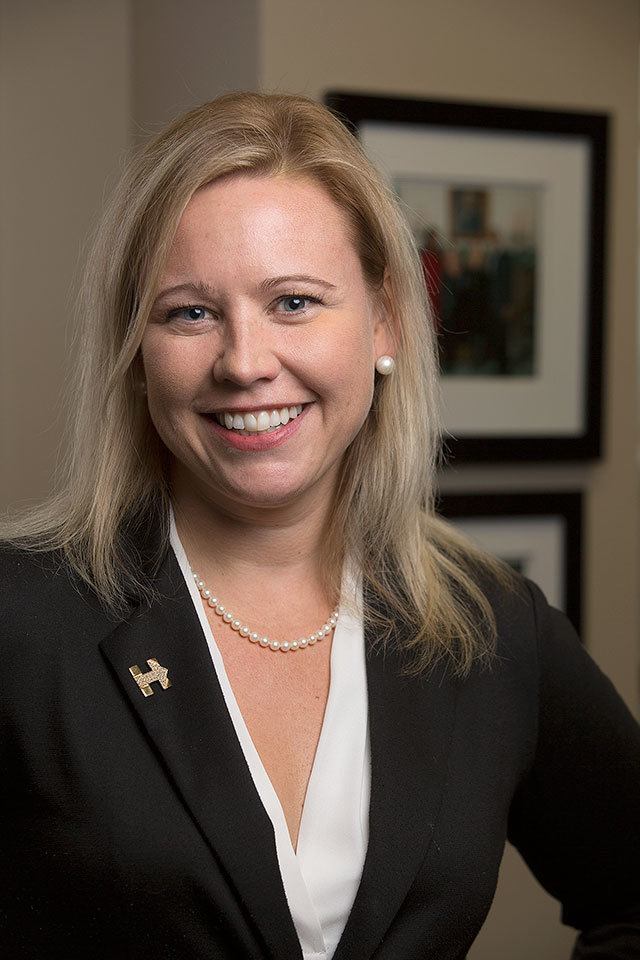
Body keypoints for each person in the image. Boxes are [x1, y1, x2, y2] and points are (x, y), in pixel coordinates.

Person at [1, 92, 638, 960]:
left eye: (294, 302)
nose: (246, 362)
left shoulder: (492, 627)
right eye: (190, 311)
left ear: (384, 319)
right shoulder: (21, 623)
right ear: (134, 350)